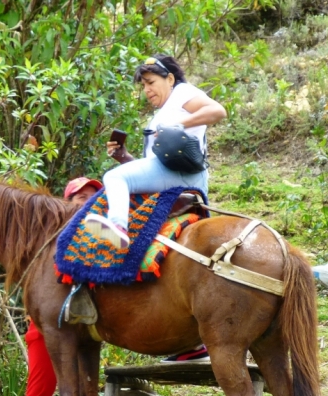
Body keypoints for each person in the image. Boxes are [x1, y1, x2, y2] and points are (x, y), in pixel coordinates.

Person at [83, 54, 227, 250]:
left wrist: (177, 123)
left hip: (183, 172)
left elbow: (218, 111)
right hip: (176, 173)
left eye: (150, 82)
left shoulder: (181, 92)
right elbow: (153, 166)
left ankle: (117, 225)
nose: (147, 90)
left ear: (169, 79)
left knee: (114, 178)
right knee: (122, 177)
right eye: (143, 86)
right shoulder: (164, 111)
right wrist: (124, 157)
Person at [12, 177, 102, 396]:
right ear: (67, 200)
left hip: (83, 325)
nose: (87, 200)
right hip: (45, 328)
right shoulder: (48, 240)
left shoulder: (101, 237)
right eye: (80, 196)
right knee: (39, 389)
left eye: (93, 195)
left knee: (78, 388)